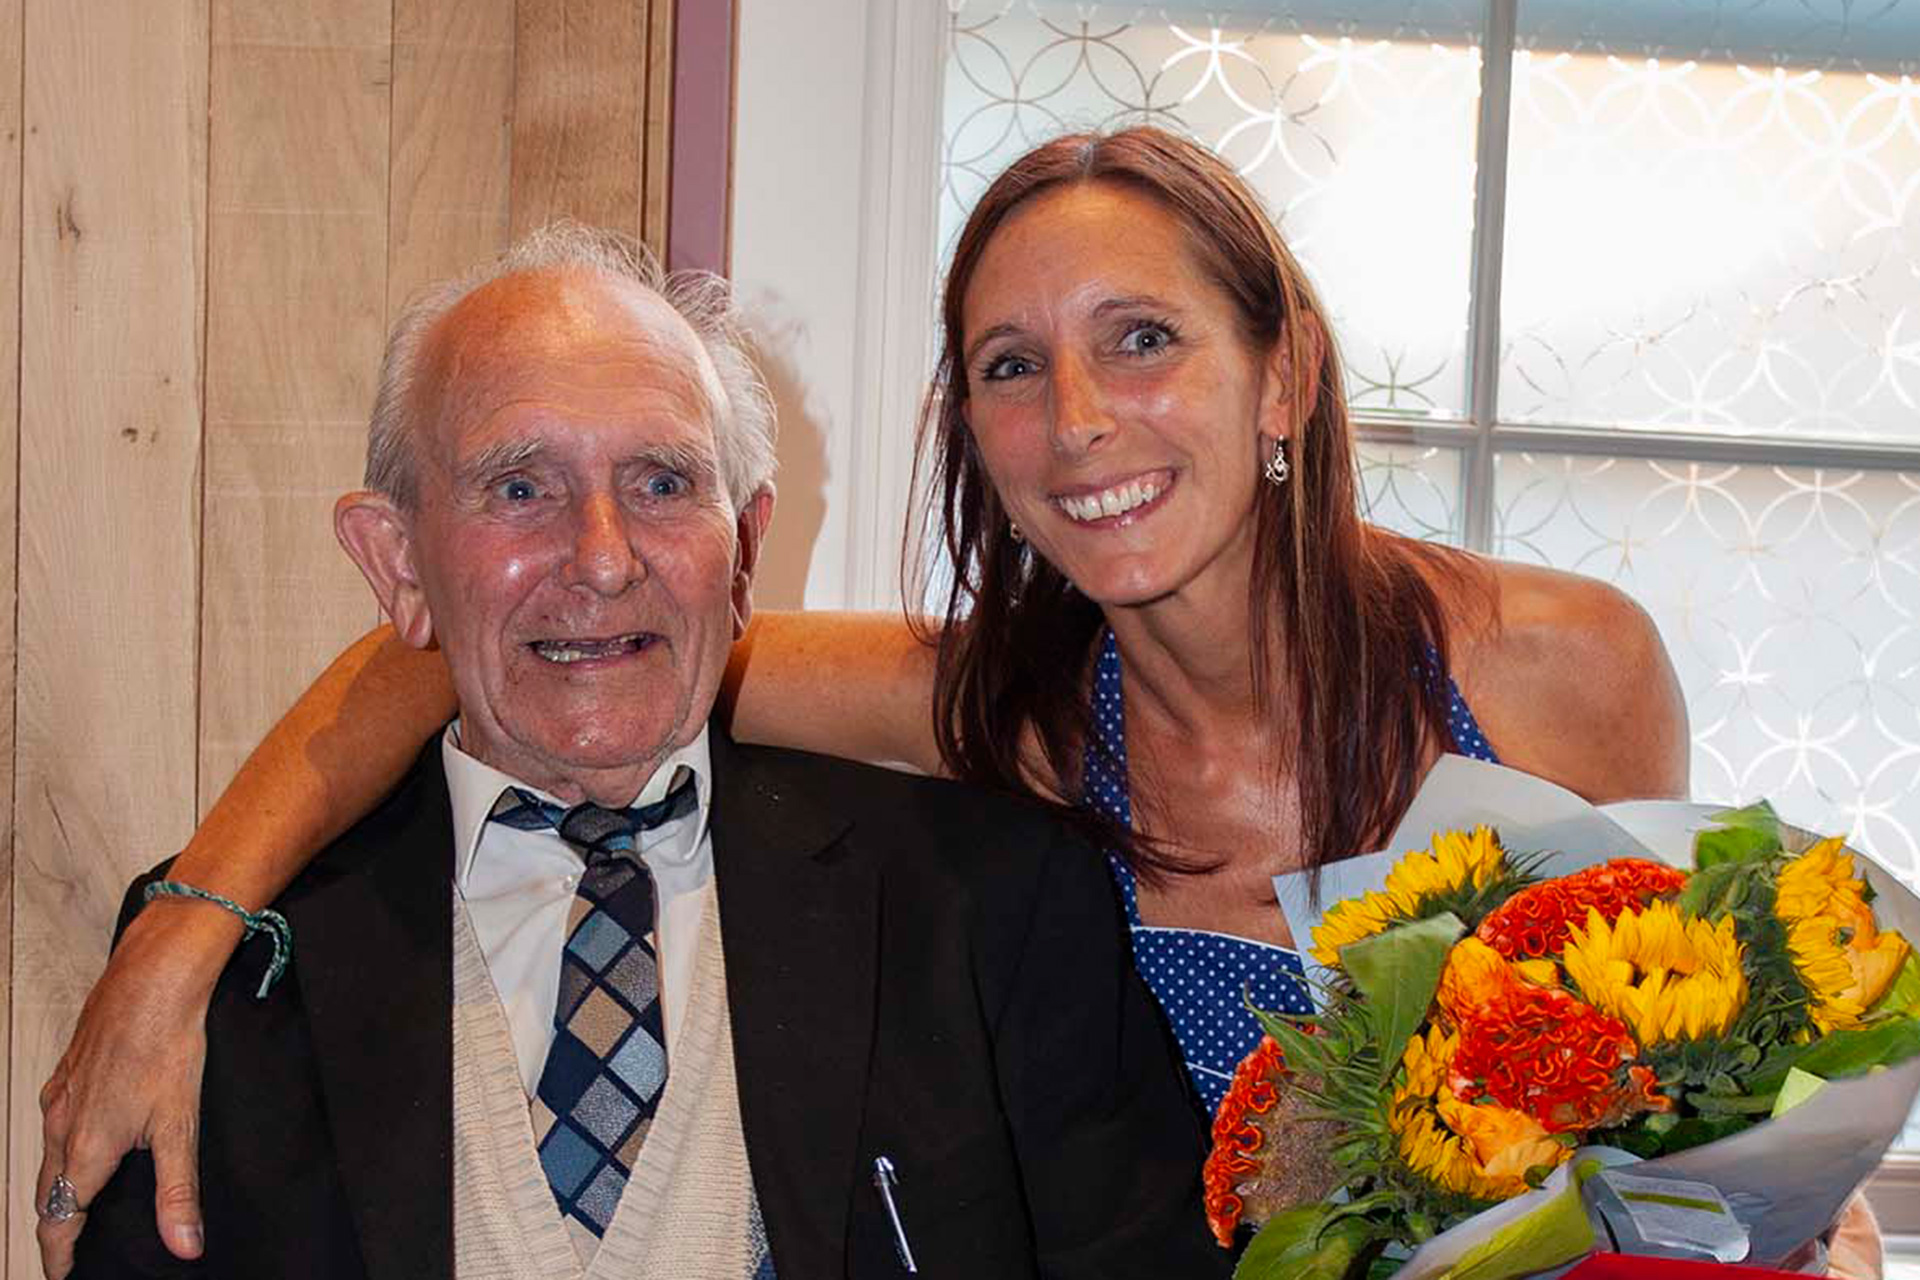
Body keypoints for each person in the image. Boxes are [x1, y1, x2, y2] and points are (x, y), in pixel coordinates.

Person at [39, 126, 1698, 1271]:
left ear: (1283, 373)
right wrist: (182, 926)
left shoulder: (1561, 667)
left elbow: (1698, 1066)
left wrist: (1782, 1227)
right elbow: (526, 649)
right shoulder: (982, 710)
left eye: (1141, 340)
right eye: (1009, 366)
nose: (1081, 422)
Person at [57, 226, 1225, 1278]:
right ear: (398, 558)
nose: (604, 557)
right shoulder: (230, 970)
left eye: (663, 482)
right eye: (522, 487)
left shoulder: (993, 905)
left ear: (746, 544)